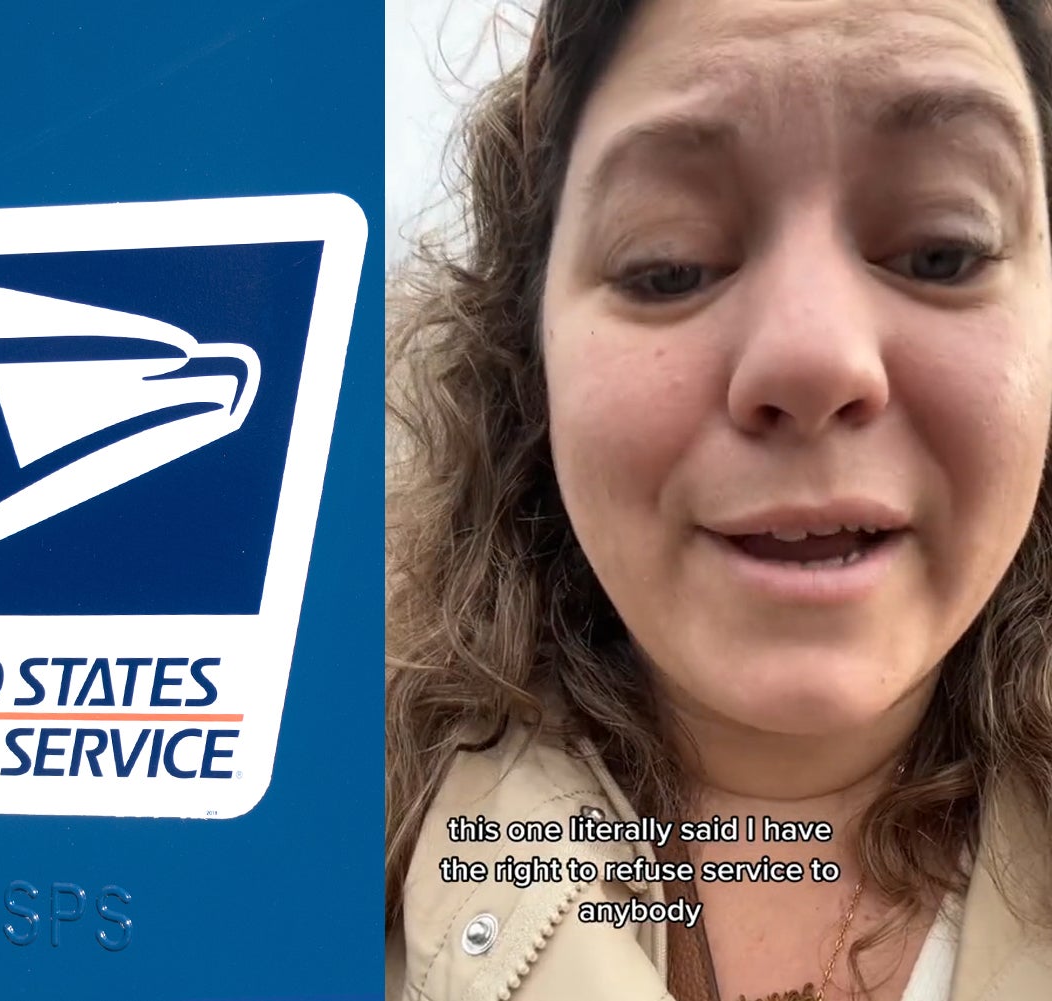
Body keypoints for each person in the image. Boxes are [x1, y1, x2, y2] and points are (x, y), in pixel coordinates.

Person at [387, 0, 1052, 998]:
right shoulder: (287, 840)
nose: (809, 354)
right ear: (527, 356)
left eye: (938, 251)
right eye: (669, 266)